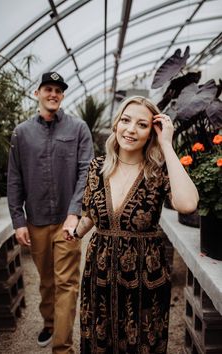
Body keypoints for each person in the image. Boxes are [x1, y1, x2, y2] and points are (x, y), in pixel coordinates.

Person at [64, 96, 199, 353]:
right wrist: (77, 231)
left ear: (151, 132)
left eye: (141, 124)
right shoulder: (98, 167)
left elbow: (188, 204)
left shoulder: (158, 170)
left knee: (141, 342)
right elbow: (92, 213)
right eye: (125, 120)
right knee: (99, 338)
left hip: (144, 275)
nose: (130, 129)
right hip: (100, 273)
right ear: (116, 125)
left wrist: (167, 146)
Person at [7, 71, 94, 354]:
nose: (53, 94)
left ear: (63, 95)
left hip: (67, 223)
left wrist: (75, 212)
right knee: (47, 282)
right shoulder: (21, 133)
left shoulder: (78, 128)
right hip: (36, 221)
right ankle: (49, 322)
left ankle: (62, 347)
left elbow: (86, 172)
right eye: (48, 89)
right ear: (38, 93)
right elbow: (14, 178)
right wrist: (18, 222)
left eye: (58, 90)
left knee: (67, 283)